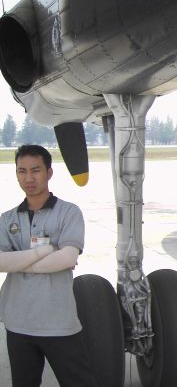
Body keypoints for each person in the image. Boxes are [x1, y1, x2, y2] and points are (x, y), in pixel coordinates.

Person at [0, 145, 97, 387]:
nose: (29, 178)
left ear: (49, 173)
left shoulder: (68, 212)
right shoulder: (7, 219)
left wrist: (19, 262)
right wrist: (45, 251)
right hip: (18, 322)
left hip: (58, 322)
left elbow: (66, 259)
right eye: (22, 171)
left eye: (36, 170)